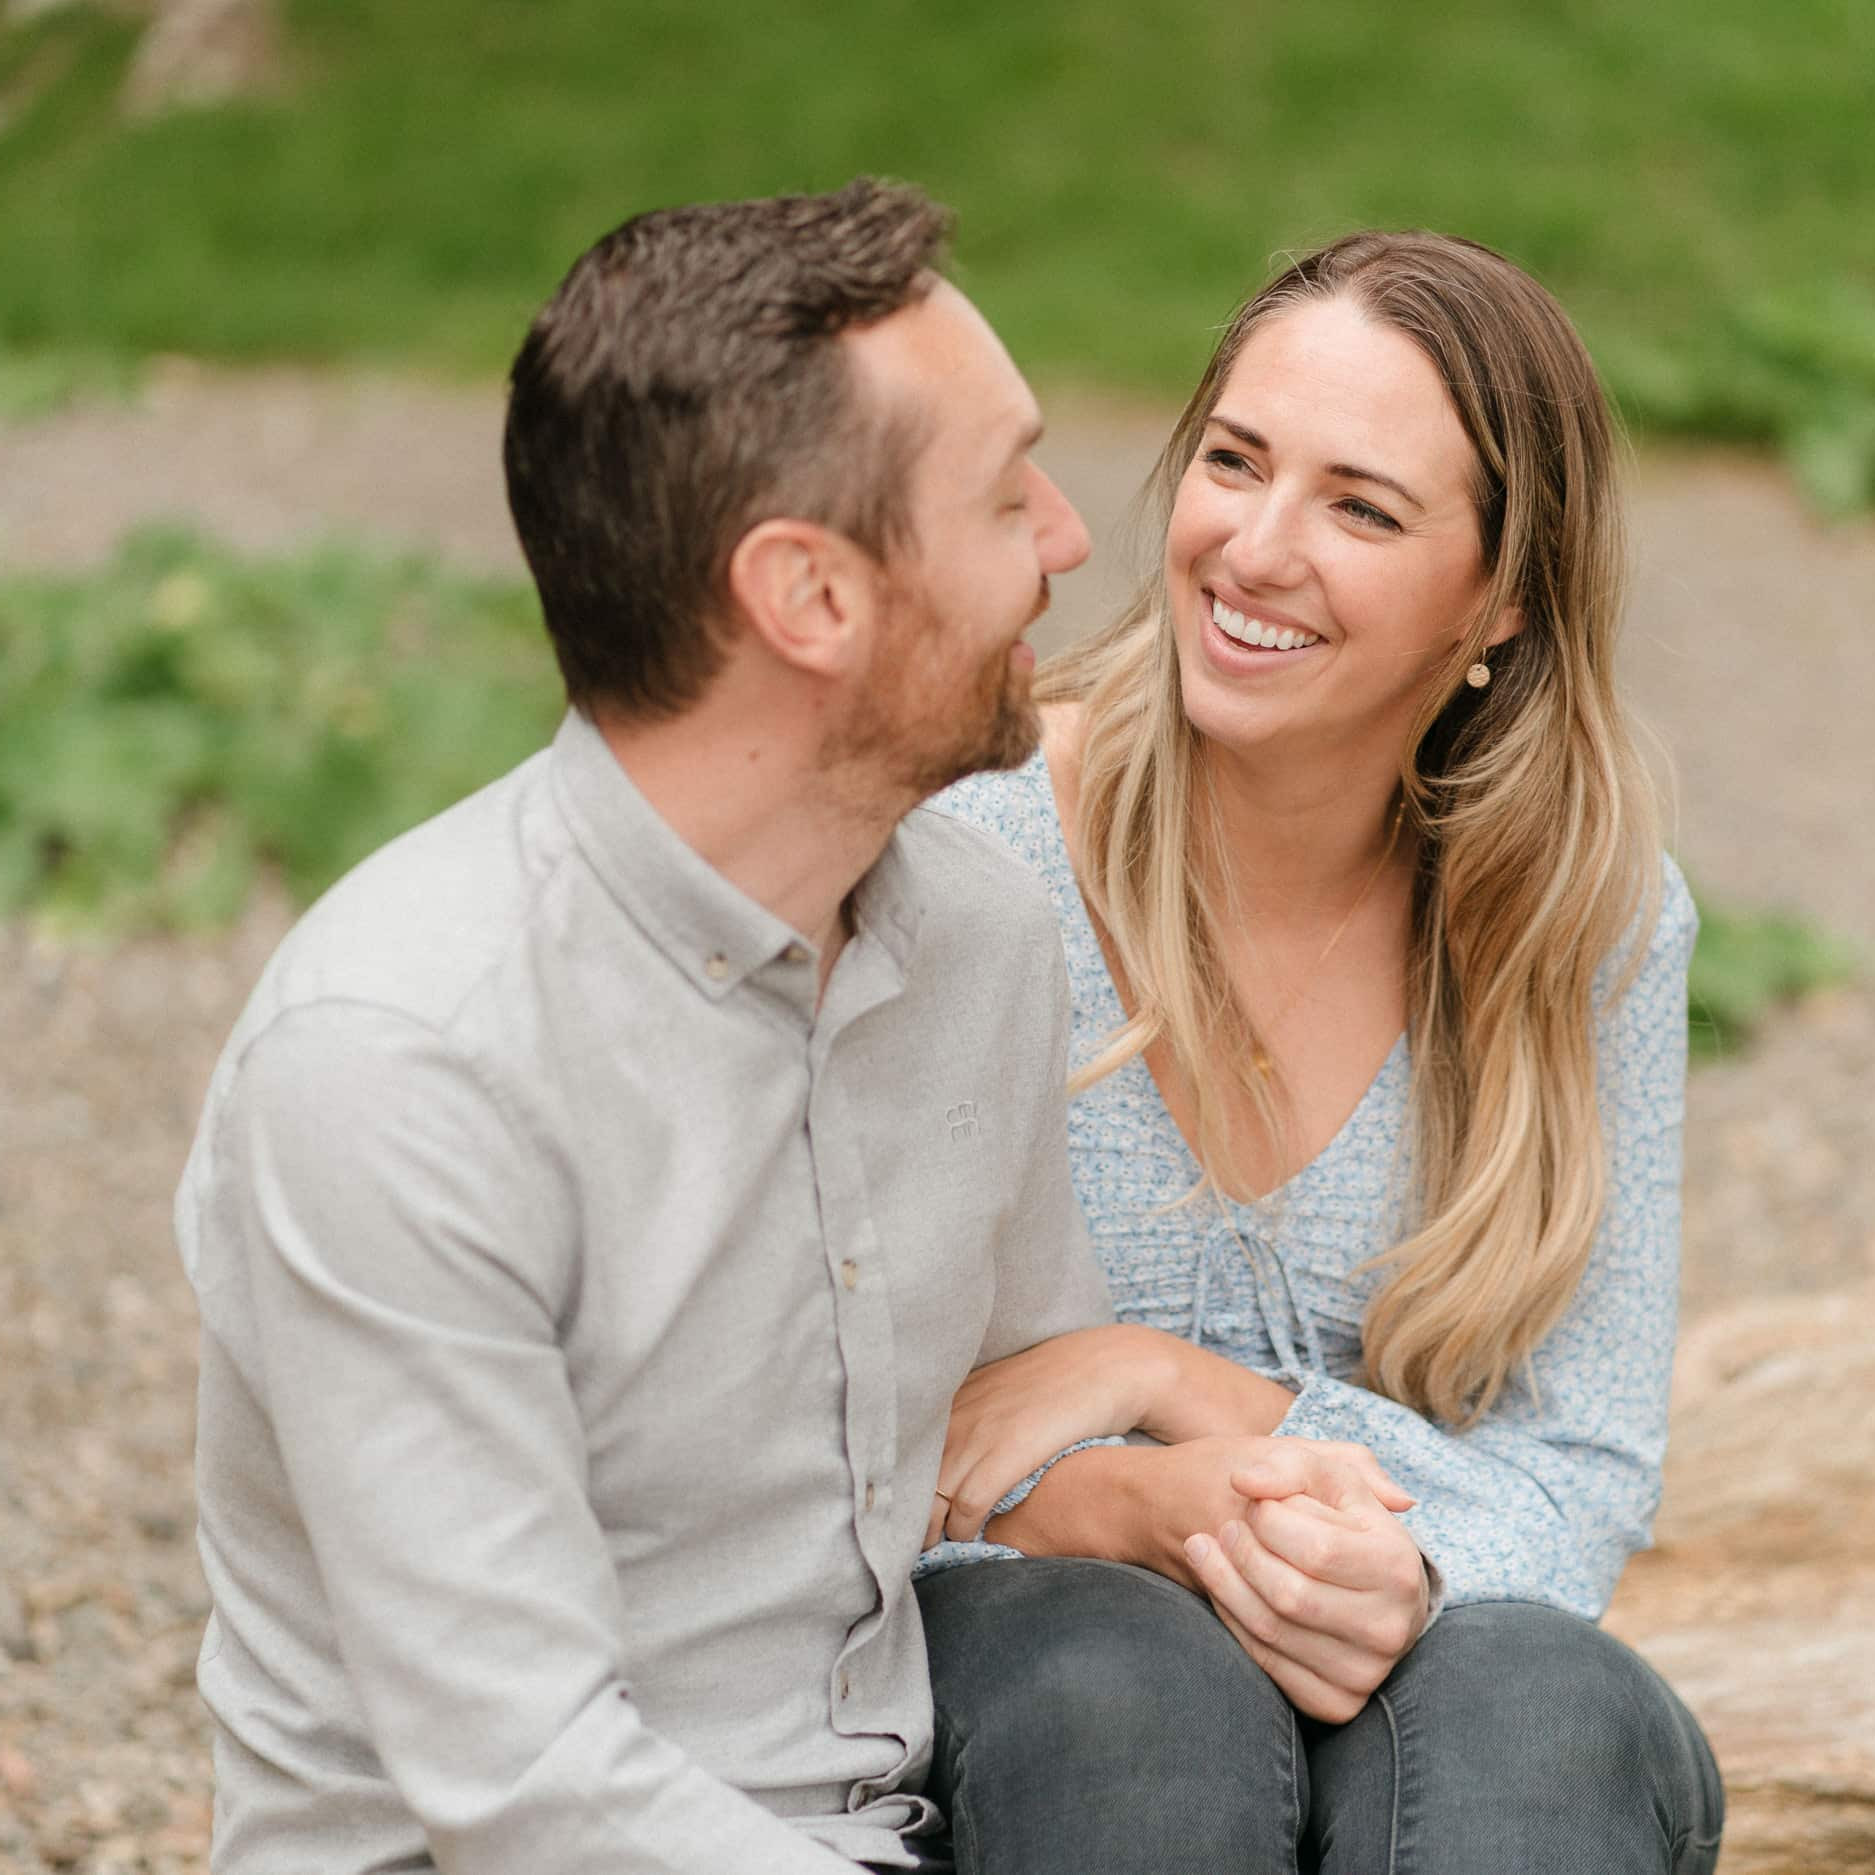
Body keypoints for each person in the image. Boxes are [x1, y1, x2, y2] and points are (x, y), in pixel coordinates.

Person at [173, 179, 1115, 1874]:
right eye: (1003, 494)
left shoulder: (977, 936)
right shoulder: (401, 1060)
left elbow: (1021, 1425)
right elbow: (527, 1786)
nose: (1068, 538)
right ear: (808, 599)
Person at [916, 231, 1725, 1873]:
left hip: (1431, 1646)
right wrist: (1131, 1511)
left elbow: (1581, 1464)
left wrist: (1175, 1386)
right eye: (1233, 462)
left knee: (1541, 1714)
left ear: (1499, 598)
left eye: (1361, 507)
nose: (1254, 550)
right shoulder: (965, 870)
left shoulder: (1594, 922)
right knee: (1130, 1704)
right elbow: (811, 1425)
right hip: (1027, 1684)